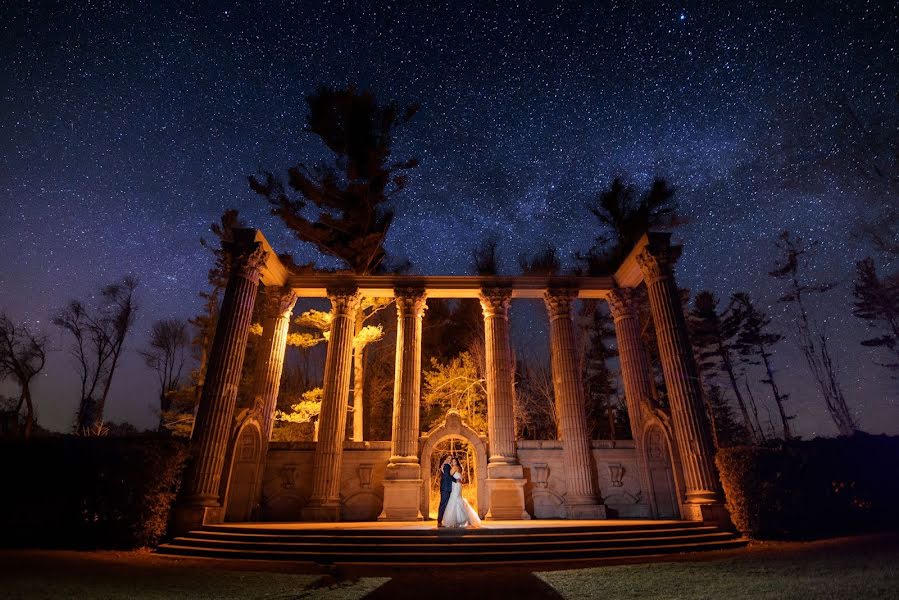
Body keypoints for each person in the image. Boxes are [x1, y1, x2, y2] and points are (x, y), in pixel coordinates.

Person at [441, 457, 482, 529]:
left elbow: (448, 475)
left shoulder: (454, 467)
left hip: (456, 485)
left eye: (453, 461)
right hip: (458, 485)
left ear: (456, 462)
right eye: (452, 462)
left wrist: (443, 466)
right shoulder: (460, 467)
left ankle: (458, 519)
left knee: (454, 499)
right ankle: (460, 519)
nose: (452, 463)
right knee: (458, 499)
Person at [436, 455, 454, 527]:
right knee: (443, 504)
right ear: (446, 459)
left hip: (445, 488)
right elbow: (447, 476)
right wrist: (455, 480)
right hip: (445, 488)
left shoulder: (445, 465)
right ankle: (439, 520)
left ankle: (442, 520)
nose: (450, 460)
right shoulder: (446, 466)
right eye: (449, 458)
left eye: (451, 459)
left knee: (444, 504)